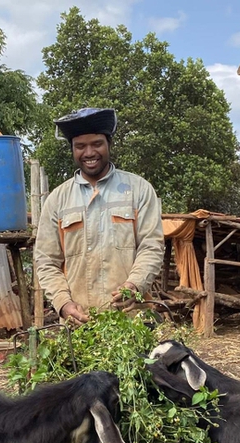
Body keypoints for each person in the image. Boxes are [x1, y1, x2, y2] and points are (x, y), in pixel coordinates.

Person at [34, 107, 164, 324]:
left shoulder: (138, 190)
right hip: (80, 325)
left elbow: (151, 247)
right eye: (80, 146)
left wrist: (134, 285)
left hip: (132, 322)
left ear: (109, 144)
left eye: (96, 144)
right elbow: (46, 261)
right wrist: (64, 304)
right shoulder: (57, 199)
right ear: (72, 150)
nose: (89, 153)